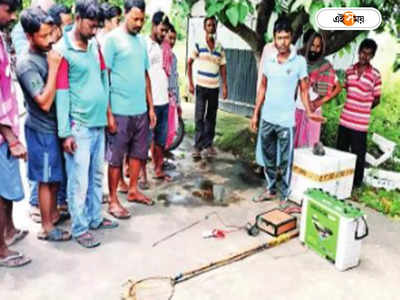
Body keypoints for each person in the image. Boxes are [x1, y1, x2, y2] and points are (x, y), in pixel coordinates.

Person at [55, 0, 118, 248]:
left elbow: (104, 78)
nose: (94, 32)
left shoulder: (95, 46)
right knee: (78, 181)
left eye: (97, 28)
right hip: (78, 127)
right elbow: (61, 93)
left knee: (96, 176)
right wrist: (65, 133)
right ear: (77, 17)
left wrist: (108, 113)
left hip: (98, 123)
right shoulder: (63, 50)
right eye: (91, 26)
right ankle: (80, 227)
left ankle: (94, 218)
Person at [250, 17, 324, 206]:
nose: (283, 42)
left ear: (291, 38)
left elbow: (304, 89)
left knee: (285, 159)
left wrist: (308, 111)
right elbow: (262, 88)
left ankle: (284, 194)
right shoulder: (269, 60)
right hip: (268, 117)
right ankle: (270, 188)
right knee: (268, 158)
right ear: (274, 39)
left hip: (285, 120)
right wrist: (256, 114)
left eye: (286, 37)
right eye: (279, 37)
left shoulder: (299, 62)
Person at [17, 8, 72, 241]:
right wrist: (53, 68)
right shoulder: (27, 64)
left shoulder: (47, 52)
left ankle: (52, 216)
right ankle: (47, 227)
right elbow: (45, 102)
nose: (50, 39)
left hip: (53, 129)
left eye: (52, 33)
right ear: (29, 36)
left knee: (54, 177)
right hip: (41, 129)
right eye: (44, 35)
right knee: (46, 179)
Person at [103, 0, 157, 218]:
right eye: (135, 18)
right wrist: (108, 113)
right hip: (119, 111)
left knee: (138, 154)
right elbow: (104, 77)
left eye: (142, 19)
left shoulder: (141, 42)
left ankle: (133, 190)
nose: (139, 23)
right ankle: (113, 199)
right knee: (116, 158)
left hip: (140, 111)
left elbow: (145, 76)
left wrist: (151, 108)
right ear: (125, 14)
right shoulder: (112, 40)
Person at [0, 0, 31, 268]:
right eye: (8, 10)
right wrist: (10, 138)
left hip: (9, 126)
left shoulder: (1, 35)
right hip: (3, 133)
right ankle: (0, 249)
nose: (12, 17)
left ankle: (8, 231)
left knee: (8, 188)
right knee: (0, 192)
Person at [337, 38, 381, 188]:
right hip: (345, 120)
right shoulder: (349, 70)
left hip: (360, 124)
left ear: (372, 56)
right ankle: (339, 180)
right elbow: (347, 88)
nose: (365, 56)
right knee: (341, 152)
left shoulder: (375, 74)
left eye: (369, 54)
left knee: (358, 156)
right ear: (358, 52)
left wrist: (363, 108)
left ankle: (355, 185)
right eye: (363, 53)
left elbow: (377, 99)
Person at [187, 16, 228, 159]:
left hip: (214, 87)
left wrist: (225, 86)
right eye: (209, 25)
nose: (211, 27)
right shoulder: (199, 44)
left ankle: (208, 144)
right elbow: (189, 63)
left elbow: (223, 66)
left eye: (213, 25)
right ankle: (197, 146)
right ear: (205, 28)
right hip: (201, 86)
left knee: (211, 116)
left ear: (216, 28)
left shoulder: (219, 46)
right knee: (199, 116)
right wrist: (190, 83)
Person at [295, 30, 342, 148]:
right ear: (306, 45)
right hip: (297, 110)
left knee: (309, 148)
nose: (314, 49)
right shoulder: (298, 62)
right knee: (294, 148)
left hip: (314, 113)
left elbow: (337, 88)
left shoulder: (324, 66)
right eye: (312, 45)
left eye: (318, 46)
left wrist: (318, 102)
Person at [147, 11, 171, 181]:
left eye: (166, 31)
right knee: (145, 138)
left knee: (161, 138)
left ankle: (158, 169)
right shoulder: (145, 44)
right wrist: (148, 104)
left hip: (163, 98)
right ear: (154, 26)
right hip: (151, 100)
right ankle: (138, 174)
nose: (164, 34)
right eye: (162, 30)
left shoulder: (163, 46)